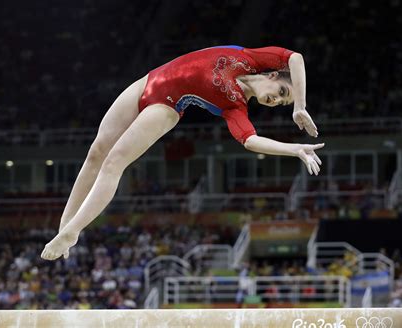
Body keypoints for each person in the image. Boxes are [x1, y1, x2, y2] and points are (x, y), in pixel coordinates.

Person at [41, 45, 325, 260]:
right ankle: (64, 225)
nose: (277, 101)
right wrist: (299, 105)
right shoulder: (251, 58)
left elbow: (249, 140)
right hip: (148, 81)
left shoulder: (235, 105)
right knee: (96, 152)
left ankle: (73, 231)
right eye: (282, 92)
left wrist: (294, 149)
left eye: (281, 104)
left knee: (114, 162)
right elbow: (295, 58)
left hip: (164, 106)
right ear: (272, 74)